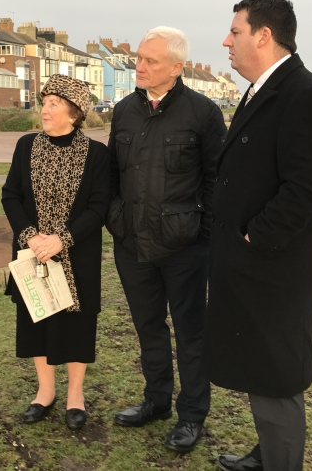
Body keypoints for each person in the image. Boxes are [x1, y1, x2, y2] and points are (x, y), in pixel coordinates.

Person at [204, 0, 312, 471]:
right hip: (250, 268)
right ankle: (267, 456)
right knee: (259, 372)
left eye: (235, 31)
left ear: (263, 35)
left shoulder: (304, 94)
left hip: (272, 270)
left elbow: (307, 189)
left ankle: (281, 464)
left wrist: (254, 238)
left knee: (275, 379)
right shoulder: (263, 88)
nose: (226, 40)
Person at [107, 27, 226, 453]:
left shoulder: (203, 114)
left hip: (185, 247)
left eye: (150, 60)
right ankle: (156, 401)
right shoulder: (123, 112)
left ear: (176, 68)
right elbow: (114, 176)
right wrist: (115, 221)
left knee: (191, 334)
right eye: (138, 58)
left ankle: (192, 414)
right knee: (148, 328)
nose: (139, 66)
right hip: (133, 245)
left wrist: (205, 239)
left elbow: (216, 182)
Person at [1, 74, 110, 431]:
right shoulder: (26, 145)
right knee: (38, 322)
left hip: (76, 254)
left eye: (53, 104)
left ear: (74, 113)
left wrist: (62, 239)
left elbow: (99, 207)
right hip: (34, 255)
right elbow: (11, 195)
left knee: (77, 327)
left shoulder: (96, 154)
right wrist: (31, 237)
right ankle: (44, 393)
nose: (44, 110)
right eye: (44, 102)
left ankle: (75, 396)